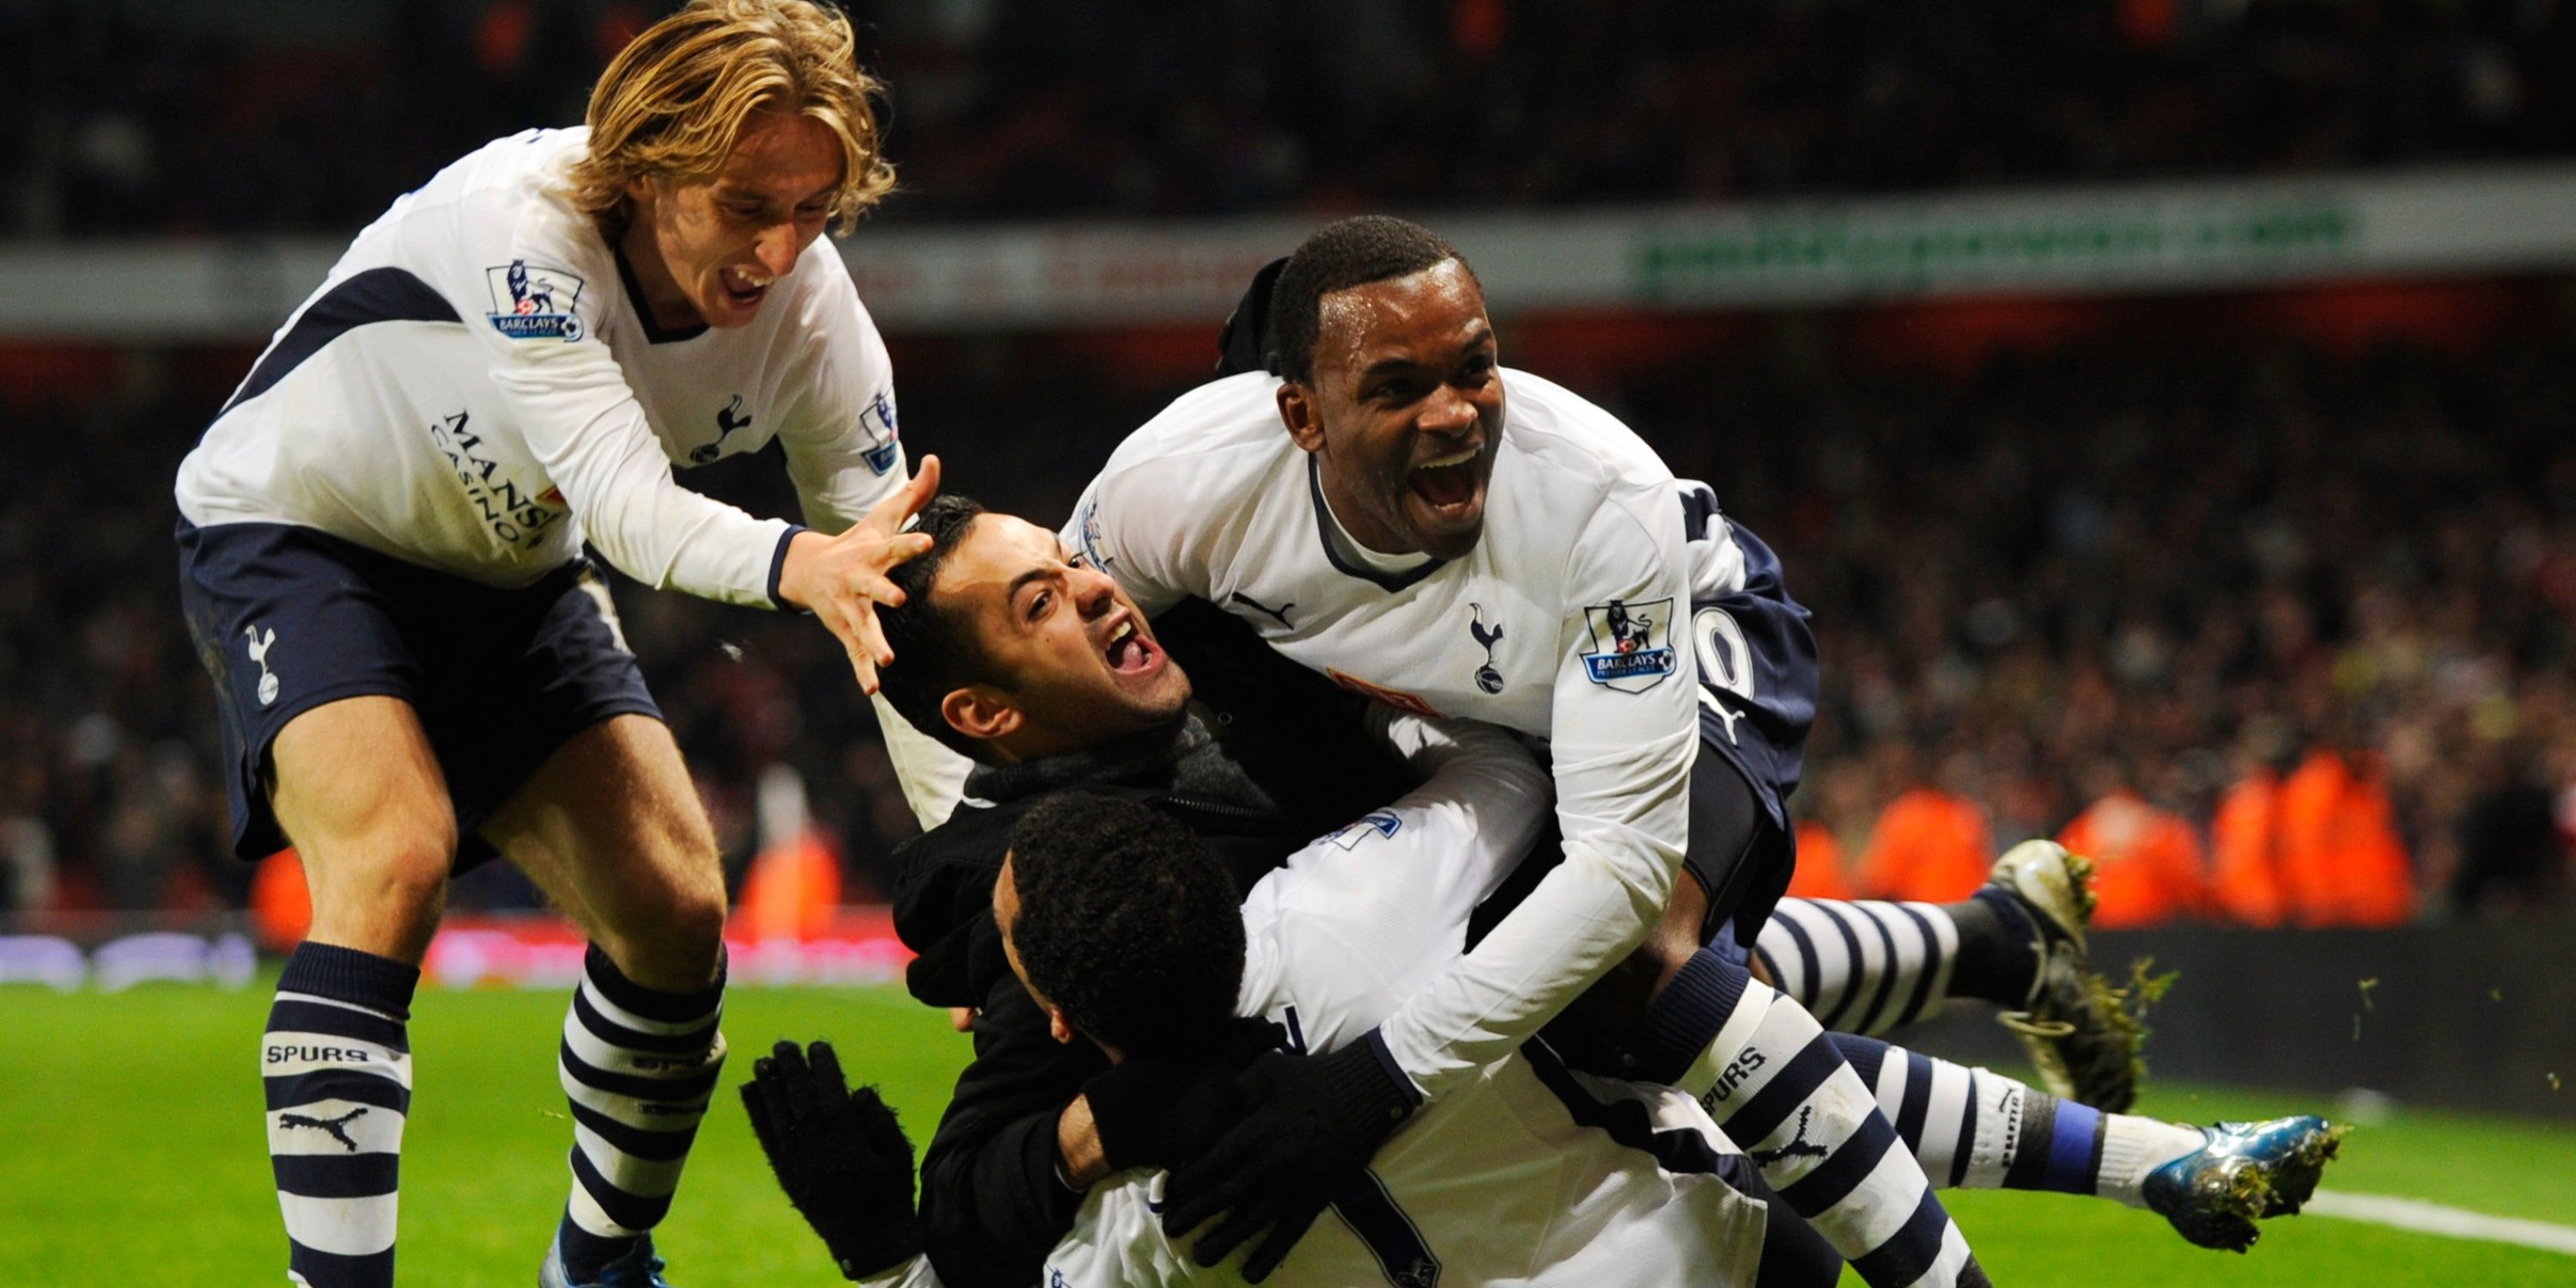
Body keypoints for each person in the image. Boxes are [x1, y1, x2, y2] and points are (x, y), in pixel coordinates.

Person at [846, 495, 2339, 1285]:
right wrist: (1141, 1109)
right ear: (984, 718)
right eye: (1041, 600)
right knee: (1634, 985)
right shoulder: (1020, 891)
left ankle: (2105, 1102)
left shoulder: (1209, 592)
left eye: (1067, 561)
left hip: (1561, 780)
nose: (1097, 585)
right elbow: (980, 1197)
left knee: (1637, 966)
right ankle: (2001, 950)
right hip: (1467, 945)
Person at [170, 4, 937, 1285]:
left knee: (680, 913)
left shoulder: (815, 315)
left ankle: (596, 1264)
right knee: (395, 856)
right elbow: (633, 512)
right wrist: (800, 562)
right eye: (749, 204)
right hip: (298, 531)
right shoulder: (531, 229)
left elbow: (896, 592)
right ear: (647, 160)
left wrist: (974, 858)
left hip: (512, 575)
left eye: (815, 210)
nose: (781, 248)